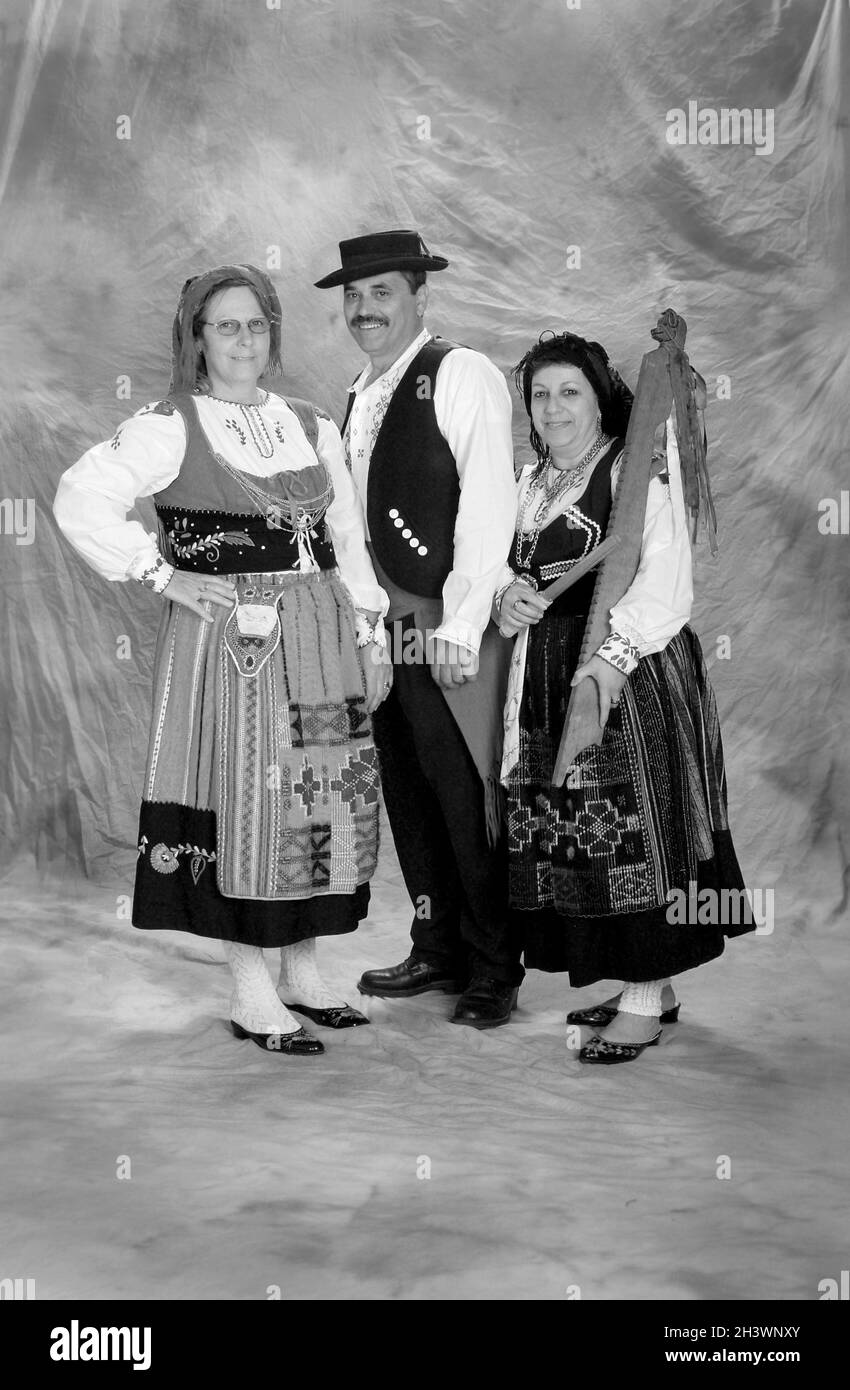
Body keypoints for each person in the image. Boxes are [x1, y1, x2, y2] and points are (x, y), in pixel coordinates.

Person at [53, 263, 391, 1056]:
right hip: (235, 643)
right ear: (197, 338)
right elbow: (80, 494)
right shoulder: (171, 423)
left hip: (322, 633)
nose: (243, 339)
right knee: (249, 803)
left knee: (319, 798)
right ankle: (250, 984)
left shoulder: (310, 423)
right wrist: (162, 573)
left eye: (256, 324)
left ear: (272, 334)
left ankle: (304, 971)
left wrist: (371, 633)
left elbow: (345, 538)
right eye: (225, 325)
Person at [496, 330, 753, 1063]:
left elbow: (667, 581)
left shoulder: (636, 472)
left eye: (568, 391)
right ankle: (652, 988)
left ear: (600, 397)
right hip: (548, 675)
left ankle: (643, 999)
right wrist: (505, 598)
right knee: (586, 837)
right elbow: (505, 570)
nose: (553, 407)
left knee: (638, 831)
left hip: (629, 675)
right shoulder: (530, 482)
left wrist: (609, 665)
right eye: (540, 394)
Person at [315, 230, 523, 1027]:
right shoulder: (361, 389)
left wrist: (465, 622)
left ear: (419, 297)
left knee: (465, 794)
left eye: (382, 294)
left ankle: (493, 966)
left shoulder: (458, 372)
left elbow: (488, 502)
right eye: (354, 297)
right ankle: (438, 945)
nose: (365, 310)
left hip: (440, 620)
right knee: (407, 790)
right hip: (383, 627)